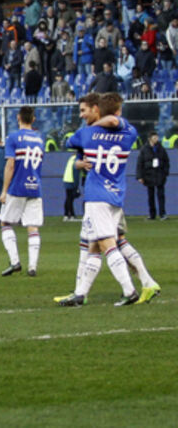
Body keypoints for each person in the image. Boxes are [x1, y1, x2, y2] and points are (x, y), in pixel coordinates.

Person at [56, 93, 154, 307]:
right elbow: (114, 122)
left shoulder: (86, 133)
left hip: (96, 196)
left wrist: (79, 159)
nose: (82, 116)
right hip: (116, 195)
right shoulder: (129, 131)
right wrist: (81, 161)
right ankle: (80, 293)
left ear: (97, 109)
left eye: (84, 111)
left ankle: (130, 291)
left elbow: (68, 141)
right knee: (93, 244)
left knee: (107, 243)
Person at [0, 106, 45, 277]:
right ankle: (32, 266)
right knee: (32, 227)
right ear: (33, 119)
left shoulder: (13, 137)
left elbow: (11, 164)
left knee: (5, 222)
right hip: (35, 187)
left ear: (18, 118)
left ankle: (15, 261)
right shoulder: (40, 139)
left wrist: (4, 191)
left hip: (17, 186)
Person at [136, 131, 170, 220]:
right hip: (149, 175)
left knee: (161, 195)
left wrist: (165, 172)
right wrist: (140, 176)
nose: (156, 139)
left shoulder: (161, 149)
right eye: (154, 138)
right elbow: (140, 163)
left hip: (159, 174)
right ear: (149, 139)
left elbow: (166, 161)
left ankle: (163, 214)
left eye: (157, 137)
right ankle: (152, 214)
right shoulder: (144, 149)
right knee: (151, 196)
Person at [62, 154, 82, 222]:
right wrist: (76, 186)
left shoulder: (71, 158)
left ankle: (66, 215)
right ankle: (72, 216)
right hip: (71, 180)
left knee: (68, 198)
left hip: (66, 179)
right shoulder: (77, 160)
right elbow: (75, 173)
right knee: (70, 199)